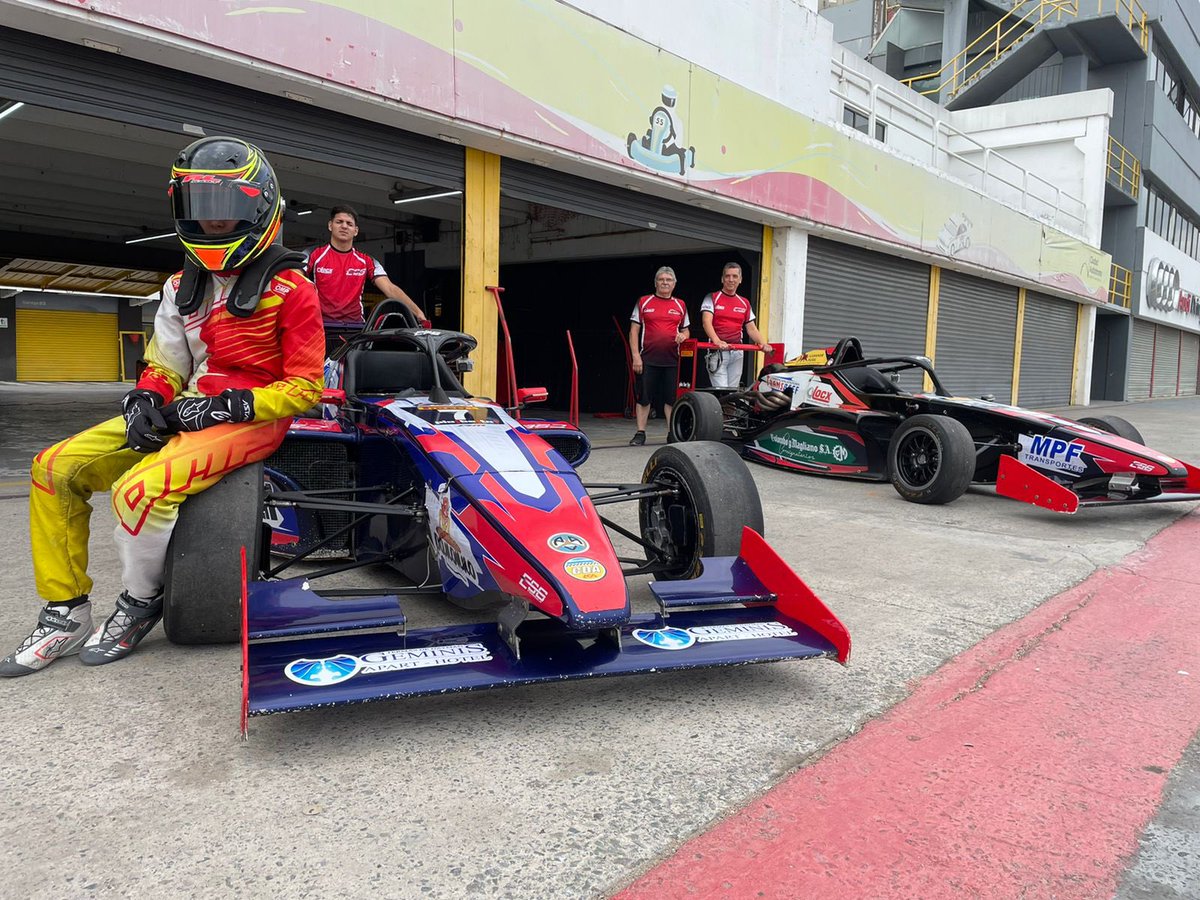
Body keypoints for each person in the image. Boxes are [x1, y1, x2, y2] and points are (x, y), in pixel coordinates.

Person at [0, 136, 325, 676]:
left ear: (260, 205)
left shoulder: (293, 290)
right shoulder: (179, 286)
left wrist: (226, 409)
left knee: (139, 493)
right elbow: (167, 362)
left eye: (227, 207)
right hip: (187, 409)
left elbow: (304, 389)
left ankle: (138, 601)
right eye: (200, 208)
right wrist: (146, 399)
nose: (214, 222)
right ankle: (66, 611)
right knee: (52, 470)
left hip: (256, 419)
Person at [305, 205, 427, 345]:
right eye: (339, 222)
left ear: (355, 231)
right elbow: (292, 279)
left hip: (354, 331)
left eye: (349, 224)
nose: (344, 226)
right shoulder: (314, 255)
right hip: (319, 329)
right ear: (330, 225)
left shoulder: (366, 261)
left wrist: (418, 313)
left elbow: (390, 289)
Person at [629, 266, 690, 446]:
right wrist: (636, 357)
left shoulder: (681, 304)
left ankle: (672, 434)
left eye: (669, 280)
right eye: (661, 279)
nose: (665, 283)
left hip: (672, 360)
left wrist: (683, 336)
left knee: (671, 399)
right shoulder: (644, 301)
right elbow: (634, 331)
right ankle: (640, 433)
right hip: (647, 359)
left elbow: (686, 330)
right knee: (644, 397)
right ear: (656, 282)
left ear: (674, 284)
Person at [700, 262, 770, 389]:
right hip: (718, 352)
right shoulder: (712, 297)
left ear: (740, 279)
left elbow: (752, 328)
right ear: (722, 279)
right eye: (727, 276)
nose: (731, 280)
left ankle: (728, 410)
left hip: (737, 352)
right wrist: (717, 341)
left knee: (733, 393)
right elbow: (706, 322)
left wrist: (763, 343)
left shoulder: (744, 302)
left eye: (734, 276)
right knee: (722, 391)